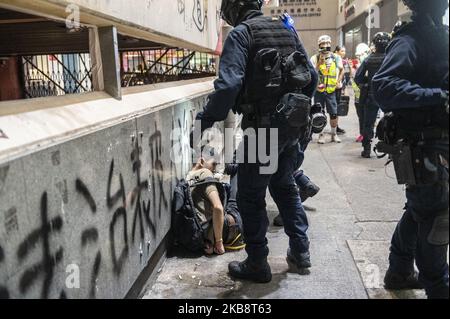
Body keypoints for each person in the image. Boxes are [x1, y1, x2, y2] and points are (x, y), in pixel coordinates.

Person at [194, 0, 318, 283]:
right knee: (285, 186)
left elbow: (228, 87)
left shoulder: (241, 34)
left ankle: (257, 263)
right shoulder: (286, 30)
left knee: (250, 196)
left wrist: (204, 119)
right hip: (293, 128)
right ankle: (300, 251)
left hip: (263, 131)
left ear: (233, 8)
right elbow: (312, 78)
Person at [372, 0, 449, 299]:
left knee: (421, 209)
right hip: (423, 145)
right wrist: (438, 96)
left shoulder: (440, 36)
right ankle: (438, 287)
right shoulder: (409, 39)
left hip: (438, 141)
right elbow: (384, 87)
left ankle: (400, 270)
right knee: (435, 216)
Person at [355, 32, 391, 158]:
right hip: (389, 95)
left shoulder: (369, 59)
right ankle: (392, 149)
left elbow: (358, 77)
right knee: (393, 120)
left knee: (368, 123)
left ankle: (366, 149)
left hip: (372, 94)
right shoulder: (391, 58)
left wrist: (367, 82)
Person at [311, 35, 345, 144]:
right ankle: (321, 135)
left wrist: (338, 81)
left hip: (331, 91)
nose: (325, 46)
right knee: (319, 114)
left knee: (333, 113)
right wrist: (319, 64)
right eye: (323, 44)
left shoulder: (336, 57)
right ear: (319, 45)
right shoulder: (314, 58)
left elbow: (342, 70)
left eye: (327, 44)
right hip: (319, 91)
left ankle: (334, 134)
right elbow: (312, 74)